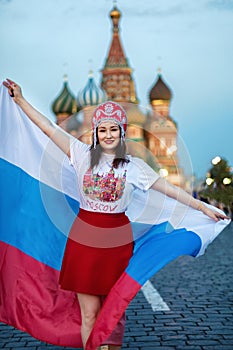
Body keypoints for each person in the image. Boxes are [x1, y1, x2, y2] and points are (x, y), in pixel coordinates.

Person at [3, 79, 229, 350]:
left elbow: (168, 189)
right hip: (84, 240)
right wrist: (21, 100)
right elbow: (48, 128)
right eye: (103, 130)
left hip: (115, 243)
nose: (108, 135)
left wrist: (203, 207)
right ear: (96, 133)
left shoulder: (134, 167)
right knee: (88, 314)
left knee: (113, 313)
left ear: (122, 133)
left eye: (113, 129)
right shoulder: (81, 154)